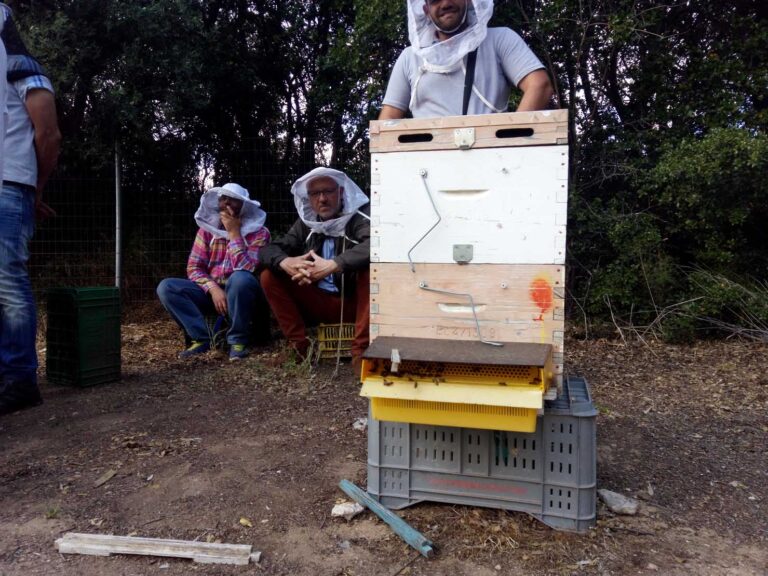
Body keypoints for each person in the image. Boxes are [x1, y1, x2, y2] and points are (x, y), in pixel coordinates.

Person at [0, 6, 61, 416]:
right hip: (13, 184)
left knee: (6, 281)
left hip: (9, 182)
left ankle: (21, 379)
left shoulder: (21, 62)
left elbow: (49, 133)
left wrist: (34, 189)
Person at [259, 167, 370, 376]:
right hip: (319, 302)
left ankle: (362, 353)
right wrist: (285, 261)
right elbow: (267, 250)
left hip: (356, 304)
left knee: (371, 270)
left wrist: (335, 264)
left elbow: (377, 245)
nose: (322, 199)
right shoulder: (306, 225)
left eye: (328, 191)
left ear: (341, 192)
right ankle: (299, 349)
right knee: (269, 275)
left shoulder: (360, 218)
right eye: (314, 194)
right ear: (308, 198)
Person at [379, 0, 553, 119]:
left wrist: (512, 137)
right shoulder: (410, 57)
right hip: (428, 166)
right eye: (435, 0)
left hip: (491, 163)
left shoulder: (500, 39)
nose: (445, 3)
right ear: (426, 10)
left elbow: (539, 85)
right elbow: (387, 119)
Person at [157, 183, 271, 361]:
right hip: (212, 293)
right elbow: (194, 267)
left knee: (240, 279)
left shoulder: (259, 233)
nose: (226, 204)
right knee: (168, 287)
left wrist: (234, 233)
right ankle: (202, 337)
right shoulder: (207, 231)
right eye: (223, 199)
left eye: (232, 201)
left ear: (243, 206)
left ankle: (237, 341)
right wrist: (213, 288)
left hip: (243, 294)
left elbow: (247, 268)